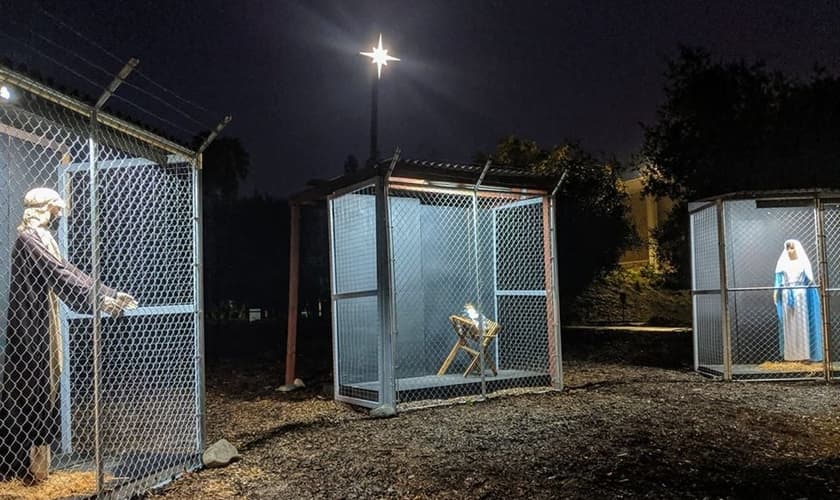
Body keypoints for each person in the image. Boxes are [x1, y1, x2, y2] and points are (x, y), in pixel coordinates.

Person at [0, 187, 137, 484]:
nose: (58, 213)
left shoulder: (41, 237)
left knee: (46, 384)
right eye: (54, 208)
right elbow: (58, 272)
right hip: (29, 324)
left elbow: (67, 269)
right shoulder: (28, 238)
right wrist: (98, 301)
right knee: (34, 385)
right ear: (43, 208)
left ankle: (37, 470)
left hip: (42, 319)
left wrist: (109, 293)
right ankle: (24, 468)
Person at [773, 239, 823, 362]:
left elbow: (810, 280)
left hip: (801, 295)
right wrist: (775, 293)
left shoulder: (803, 263)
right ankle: (791, 356)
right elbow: (778, 281)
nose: (790, 251)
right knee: (789, 324)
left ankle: (803, 355)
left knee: (801, 323)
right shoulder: (782, 264)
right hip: (786, 295)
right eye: (787, 248)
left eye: (792, 248)